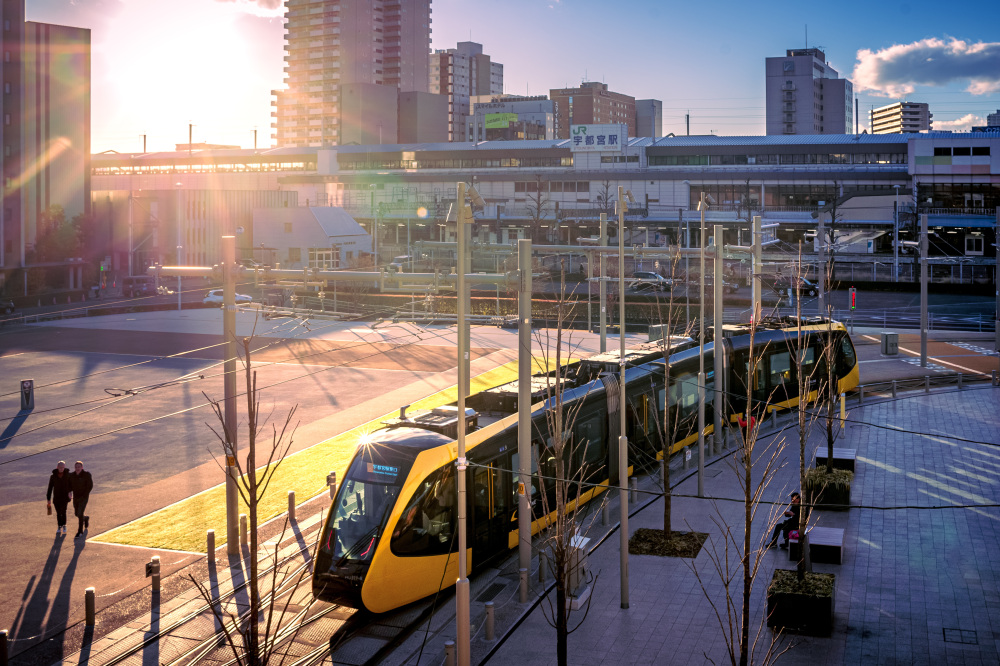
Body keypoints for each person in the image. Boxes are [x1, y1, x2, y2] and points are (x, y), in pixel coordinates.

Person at [46, 461, 72, 536]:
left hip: (64, 497)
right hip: (56, 498)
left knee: (63, 511)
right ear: (57, 467)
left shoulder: (68, 475)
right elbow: (50, 488)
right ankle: (59, 526)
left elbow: (71, 485)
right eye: (60, 467)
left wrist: (70, 492)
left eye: (63, 467)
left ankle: (64, 525)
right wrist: (48, 499)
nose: (62, 469)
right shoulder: (53, 476)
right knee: (58, 513)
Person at [68, 461, 94, 538]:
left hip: (84, 497)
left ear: (82, 467)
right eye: (76, 467)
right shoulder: (72, 475)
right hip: (76, 497)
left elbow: (90, 486)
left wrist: (85, 495)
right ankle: (85, 518)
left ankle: (80, 531)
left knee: (80, 513)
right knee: (77, 514)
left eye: (79, 467)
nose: (77, 468)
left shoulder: (86, 475)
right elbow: (69, 484)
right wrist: (69, 492)